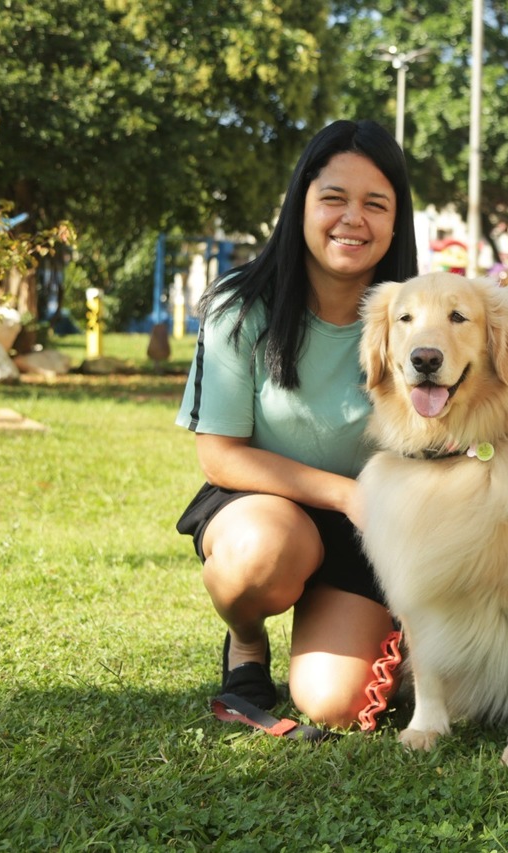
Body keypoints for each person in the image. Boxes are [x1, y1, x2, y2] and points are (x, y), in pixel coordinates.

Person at [174, 119, 418, 728]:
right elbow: (220, 456)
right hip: (265, 507)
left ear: (395, 222)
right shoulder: (239, 305)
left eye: (375, 204)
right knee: (263, 555)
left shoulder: (419, 316)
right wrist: (346, 494)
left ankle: (353, 628)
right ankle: (248, 642)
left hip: (373, 532)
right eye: (333, 198)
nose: (352, 219)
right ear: (301, 203)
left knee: (332, 704)